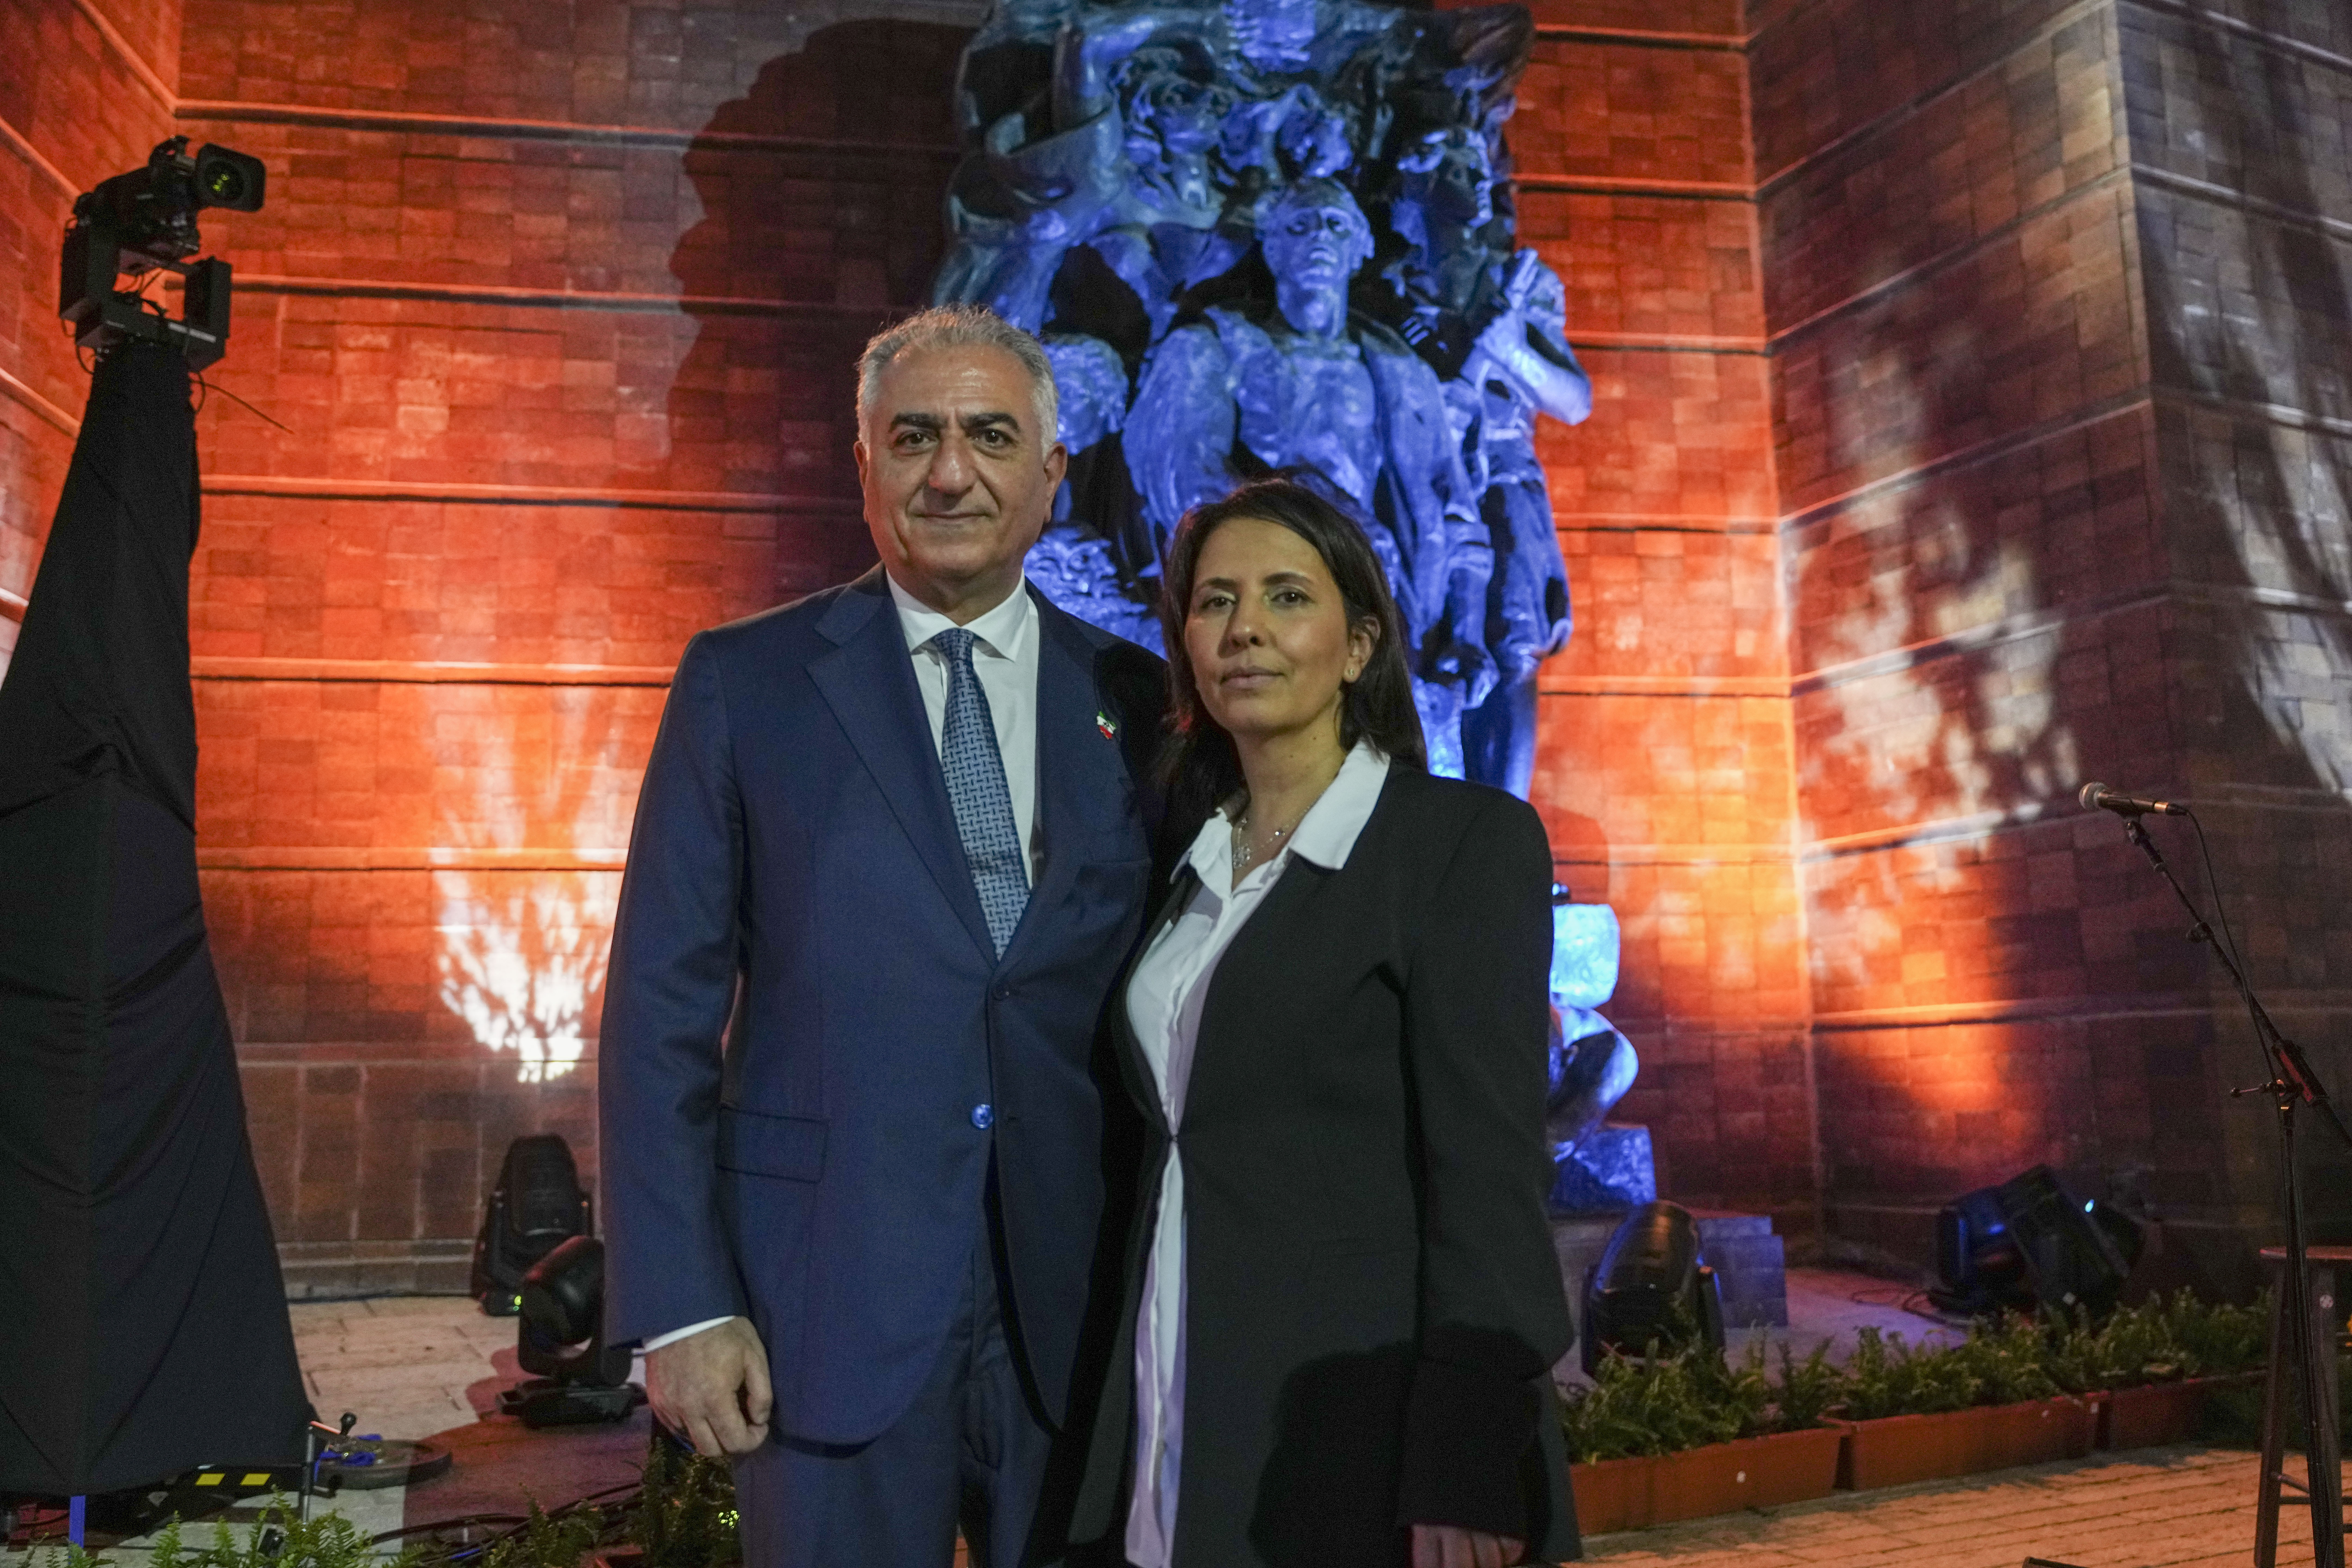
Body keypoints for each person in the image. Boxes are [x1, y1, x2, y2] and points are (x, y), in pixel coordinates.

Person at [598, 304, 1165, 1568]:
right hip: (824, 1307)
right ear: (864, 468)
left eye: (989, 436)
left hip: (1074, 1312)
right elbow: (659, 1014)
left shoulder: (1135, 698)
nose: (951, 472)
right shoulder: (746, 682)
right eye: (914, 437)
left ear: (1050, 473)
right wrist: (682, 1303)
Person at [1071, 477, 1577, 1568]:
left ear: (1359, 646)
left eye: (1286, 596)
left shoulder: (1457, 847)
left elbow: (1489, 1175)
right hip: (1182, 1401)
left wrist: (1465, 1451)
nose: (1243, 627)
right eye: (1214, 603)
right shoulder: (1187, 866)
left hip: (1365, 1430)